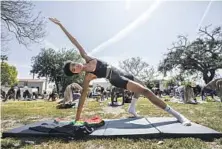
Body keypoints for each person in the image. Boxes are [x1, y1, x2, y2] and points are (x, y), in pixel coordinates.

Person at [49, 18, 191, 126]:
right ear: (75, 73)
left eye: (74, 64)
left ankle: (132, 108)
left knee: (142, 84)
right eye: (74, 69)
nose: (77, 66)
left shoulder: (87, 57)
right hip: (117, 79)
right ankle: (177, 115)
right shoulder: (87, 77)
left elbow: (74, 41)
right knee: (146, 91)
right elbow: (82, 98)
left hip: (121, 71)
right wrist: (77, 118)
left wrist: (61, 25)